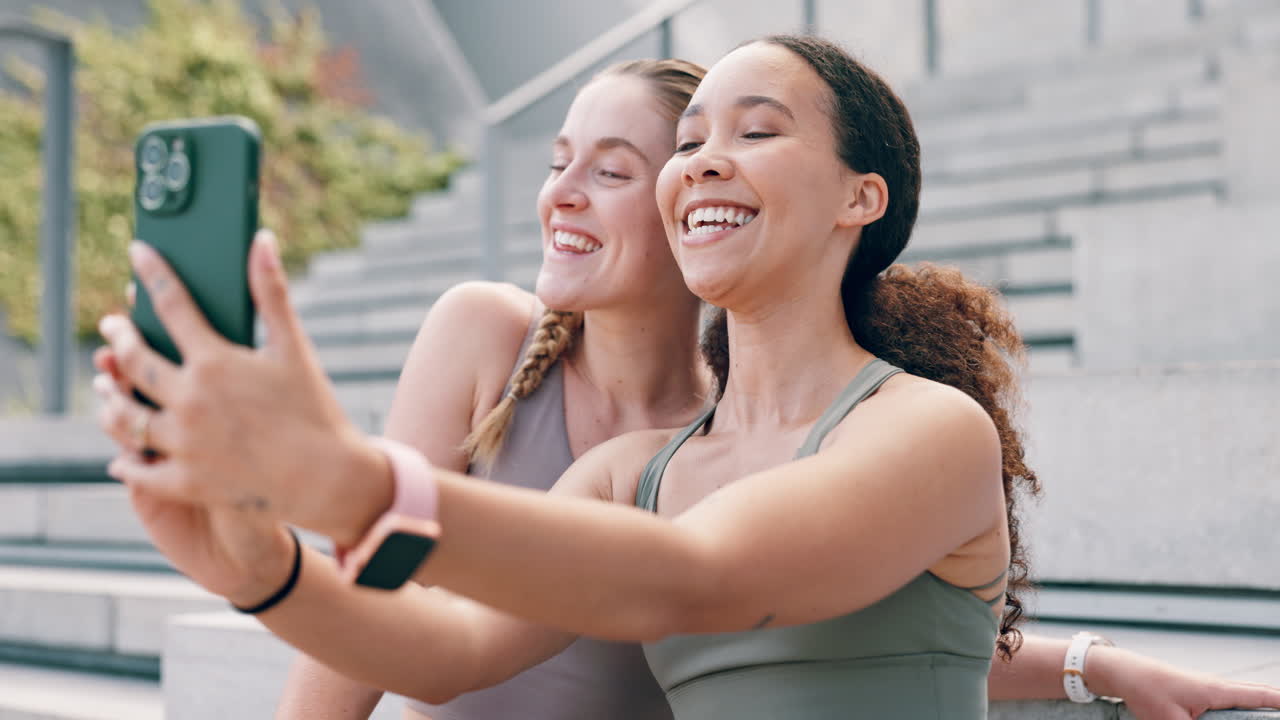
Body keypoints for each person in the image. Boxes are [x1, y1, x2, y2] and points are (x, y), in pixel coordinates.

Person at [94, 37, 1280, 719]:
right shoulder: (626, 475)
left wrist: (343, 481)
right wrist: (259, 564)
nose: (708, 157)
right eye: (696, 136)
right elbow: (442, 651)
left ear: (858, 200)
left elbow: (691, 578)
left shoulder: (928, 431)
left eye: (756, 132)